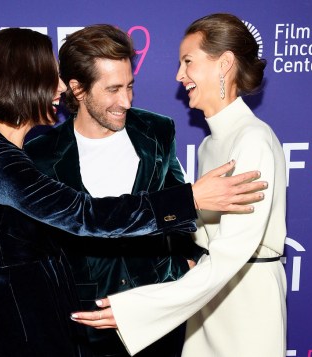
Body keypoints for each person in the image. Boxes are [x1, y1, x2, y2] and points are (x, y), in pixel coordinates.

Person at [0, 25, 268, 356]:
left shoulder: (155, 131)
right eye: (113, 88)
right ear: (78, 89)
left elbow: (3, 234)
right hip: (72, 326)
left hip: (153, 318)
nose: (126, 100)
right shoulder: (18, 157)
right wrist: (191, 198)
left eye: (130, 86)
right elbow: (84, 216)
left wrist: (184, 260)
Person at [72, 13, 287, 357]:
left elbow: (231, 251)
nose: (179, 75)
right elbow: (194, 233)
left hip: (246, 303)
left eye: (188, 62)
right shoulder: (208, 145)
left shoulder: (254, 140)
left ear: (224, 64)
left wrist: (139, 306)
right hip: (206, 301)